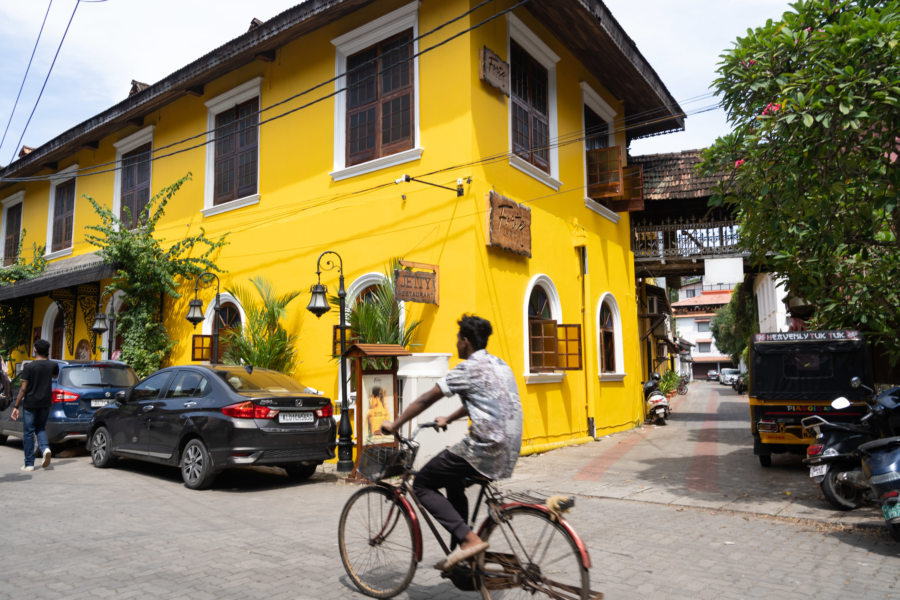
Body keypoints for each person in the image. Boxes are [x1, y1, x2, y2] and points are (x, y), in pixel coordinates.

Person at [380, 314, 522, 570]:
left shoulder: (467, 369)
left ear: (465, 341)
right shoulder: (499, 364)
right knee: (452, 479)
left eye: (458, 338)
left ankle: (468, 541)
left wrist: (395, 424)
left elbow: (426, 399)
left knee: (423, 483)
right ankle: (462, 551)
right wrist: (449, 416)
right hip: (509, 447)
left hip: (485, 447)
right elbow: (482, 403)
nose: (456, 343)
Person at [10, 339, 59, 472]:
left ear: (35, 350)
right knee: (41, 428)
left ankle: (29, 463)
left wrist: (16, 406)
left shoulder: (29, 367)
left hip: (31, 403)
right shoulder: (53, 365)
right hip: (45, 402)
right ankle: (45, 448)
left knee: (28, 433)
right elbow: (55, 376)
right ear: (47, 351)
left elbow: (23, 389)